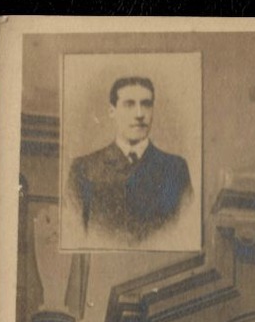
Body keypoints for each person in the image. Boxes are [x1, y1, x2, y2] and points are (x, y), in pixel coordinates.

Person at [67, 76, 192, 245]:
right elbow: (76, 236)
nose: (140, 114)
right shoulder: (84, 168)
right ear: (112, 111)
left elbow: (183, 232)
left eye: (146, 104)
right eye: (129, 104)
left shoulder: (176, 168)